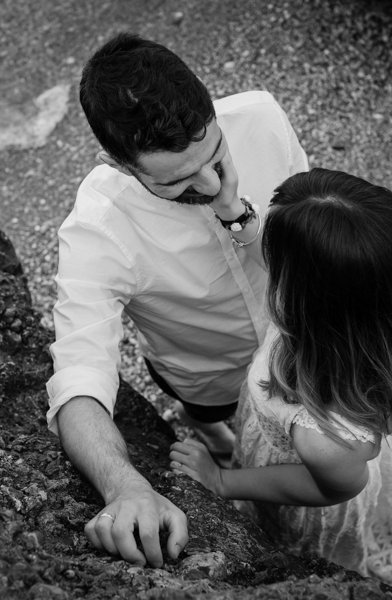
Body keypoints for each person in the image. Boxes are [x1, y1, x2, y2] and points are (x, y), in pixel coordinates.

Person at [46, 32, 309, 568]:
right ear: (118, 164)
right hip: (209, 378)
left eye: (214, 155)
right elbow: (78, 381)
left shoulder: (261, 117)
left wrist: (241, 216)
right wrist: (125, 487)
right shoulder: (97, 230)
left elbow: (312, 235)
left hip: (307, 341)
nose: (211, 183)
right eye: (179, 180)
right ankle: (219, 445)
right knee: (219, 431)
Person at [170, 168, 392, 585]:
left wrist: (224, 481)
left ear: (302, 296)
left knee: (298, 551)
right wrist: (232, 211)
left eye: (277, 259)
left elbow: (329, 490)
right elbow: (281, 255)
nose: (262, 243)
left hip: (304, 485)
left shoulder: (326, 437)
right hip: (294, 443)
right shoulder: (366, 318)